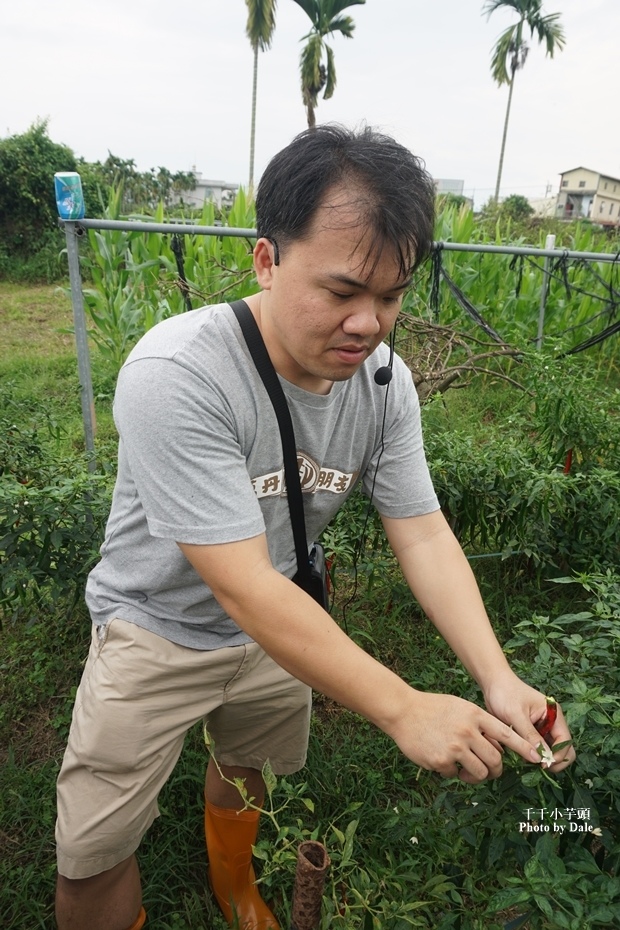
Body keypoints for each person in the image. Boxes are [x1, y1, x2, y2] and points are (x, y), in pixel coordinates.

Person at [55, 124, 574, 930]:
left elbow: (423, 532)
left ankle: (235, 887)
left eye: (392, 297)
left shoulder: (382, 382)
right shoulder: (178, 374)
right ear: (266, 260)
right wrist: (402, 706)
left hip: (281, 633)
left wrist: (497, 677)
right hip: (154, 631)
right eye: (341, 292)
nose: (369, 323)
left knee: (249, 769)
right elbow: (241, 582)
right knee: (91, 852)